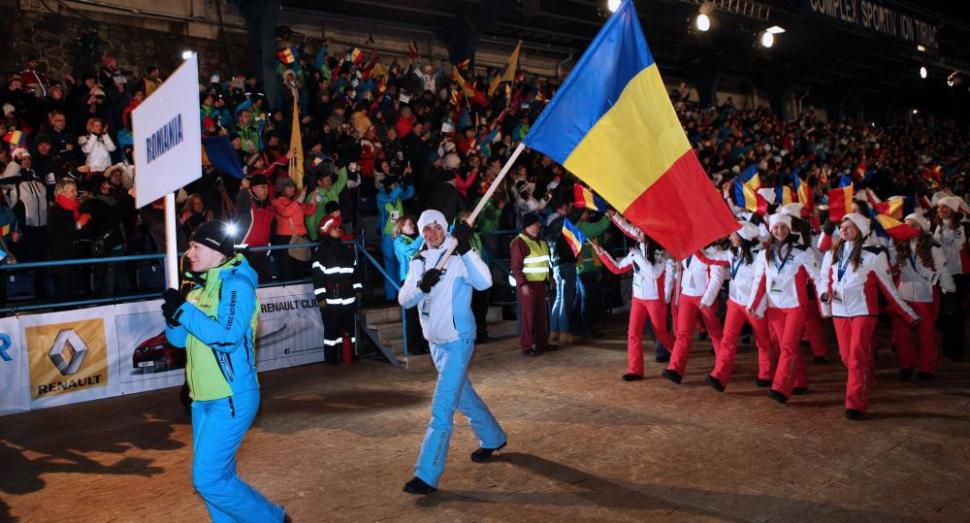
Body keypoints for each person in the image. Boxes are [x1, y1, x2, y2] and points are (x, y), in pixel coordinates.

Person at [161, 221, 287, 522]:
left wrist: (184, 311)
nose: (189, 252)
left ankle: (272, 518)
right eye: (189, 246)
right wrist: (173, 317)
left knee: (208, 479)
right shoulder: (199, 287)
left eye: (195, 246)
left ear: (217, 251)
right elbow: (177, 340)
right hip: (201, 398)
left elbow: (227, 338)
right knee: (218, 477)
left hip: (231, 397)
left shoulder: (237, 285)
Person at [398, 209, 506, 494]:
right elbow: (404, 299)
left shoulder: (458, 256)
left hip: (459, 340)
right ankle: (493, 437)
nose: (431, 233)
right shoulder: (418, 260)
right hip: (436, 343)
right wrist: (422, 286)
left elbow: (484, 282)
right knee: (462, 397)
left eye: (436, 227)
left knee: (442, 405)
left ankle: (426, 474)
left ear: (445, 228)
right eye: (426, 229)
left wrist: (468, 249)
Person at [819, 213, 919, 420]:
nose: (844, 230)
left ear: (861, 230)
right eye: (842, 226)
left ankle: (855, 404)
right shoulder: (833, 253)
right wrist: (824, 298)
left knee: (856, 357)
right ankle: (864, 373)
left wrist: (908, 314)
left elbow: (888, 288)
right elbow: (826, 280)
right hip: (839, 311)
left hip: (864, 311)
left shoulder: (874, 255)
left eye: (850, 227)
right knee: (846, 357)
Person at [746, 212, 819, 403]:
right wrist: (752, 303)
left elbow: (817, 277)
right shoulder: (764, 254)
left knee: (787, 346)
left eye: (783, 227)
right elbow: (759, 281)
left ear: (790, 229)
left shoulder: (803, 252)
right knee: (787, 346)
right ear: (771, 230)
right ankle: (800, 381)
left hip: (796, 306)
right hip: (775, 307)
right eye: (776, 227)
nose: (779, 231)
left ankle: (780, 388)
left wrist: (825, 298)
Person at [593, 219, 675, 381]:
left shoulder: (662, 254)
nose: (637, 233)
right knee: (633, 333)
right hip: (638, 299)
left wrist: (638, 257)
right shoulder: (634, 253)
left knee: (661, 333)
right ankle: (635, 369)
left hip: (654, 299)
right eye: (637, 230)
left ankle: (680, 352)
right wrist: (601, 253)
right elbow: (617, 268)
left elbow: (653, 273)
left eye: (641, 230)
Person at [706, 221, 777, 391]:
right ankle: (719, 375)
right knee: (728, 339)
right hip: (735, 303)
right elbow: (711, 258)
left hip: (755, 305)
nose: (730, 237)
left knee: (763, 340)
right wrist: (694, 248)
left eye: (733, 234)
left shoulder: (761, 255)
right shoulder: (732, 253)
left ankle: (766, 373)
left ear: (742, 237)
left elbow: (761, 282)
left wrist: (753, 303)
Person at [890, 213, 955, 379]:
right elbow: (891, 264)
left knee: (926, 334)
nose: (909, 228)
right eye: (907, 225)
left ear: (922, 229)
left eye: (914, 225)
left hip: (924, 295)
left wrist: (949, 292)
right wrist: (891, 243)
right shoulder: (899, 245)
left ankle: (926, 367)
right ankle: (906, 365)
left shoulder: (933, 247)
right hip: (903, 295)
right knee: (901, 334)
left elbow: (943, 271)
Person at [662, 242, 727, 384]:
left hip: (706, 297)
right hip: (687, 294)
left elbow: (717, 277)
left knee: (715, 334)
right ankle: (675, 369)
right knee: (683, 333)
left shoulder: (714, 250)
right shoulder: (687, 245)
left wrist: (707, 299)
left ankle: (724, 366)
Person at [311, 214, 362, 363]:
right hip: (331, 296)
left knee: (349, 327)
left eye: (339, 228)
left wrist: (358, 289)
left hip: (348, 294)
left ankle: (349, 353)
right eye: (335, 228)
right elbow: (318, 276)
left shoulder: (347, 249)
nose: (338, 230)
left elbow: (355, 271)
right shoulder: (321, 251)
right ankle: (331, 357)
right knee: (331, 327)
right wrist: (320, 297)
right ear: (327, 230)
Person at [510, 212, 554, 356]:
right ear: (529, 225)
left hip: (541, 284)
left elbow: (547, 263)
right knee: (528, 317)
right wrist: (523, 285)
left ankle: (542, 343)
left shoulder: (541, 241)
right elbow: (516, 268)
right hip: (528, 285)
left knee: (541, 316)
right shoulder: (519, 243)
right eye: (536, 223)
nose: (539, 225)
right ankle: (527, 347)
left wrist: (550, 278)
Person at [934, 196, 968, 360]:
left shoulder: (961, 228)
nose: (940, 211)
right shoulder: (938, 227)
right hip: (944, 275)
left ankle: (956, 349)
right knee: (947, 312)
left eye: (944, 208)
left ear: (953, 211)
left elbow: (955, 246)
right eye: (939, 208)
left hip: (957, 274)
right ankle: (948, 347)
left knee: (955, 312)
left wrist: (937, 248)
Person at [543, 197, 578, 345]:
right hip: (566, 263)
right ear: (561, 208)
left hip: (556, 265)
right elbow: (574, 216)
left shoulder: (549, 225)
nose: (568, 211)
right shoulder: (562, 223)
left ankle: (553, 331)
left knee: (558, 299)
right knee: (565, 299)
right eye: (567, 208)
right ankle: (564, 332)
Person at [393, 215, 428, 355]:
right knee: (412, 316)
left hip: (420, 278)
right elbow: (410, 252)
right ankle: (413, 347)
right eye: (410, 224)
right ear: (401, 227)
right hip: (408, 280)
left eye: (413, 224)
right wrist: (422, 237)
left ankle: (424, 344)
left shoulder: (416, 239)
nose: (413, 226)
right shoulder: (398, 241)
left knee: (423, 314)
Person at [377, 174, 415, 300]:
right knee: (390, 266)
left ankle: (401, 293)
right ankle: (390, 296)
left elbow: (409, 193)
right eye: (395, 184)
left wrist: (408, 182)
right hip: (388, 237)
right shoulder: (381, 196)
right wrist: (401, 186)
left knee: (401, 265)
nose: (397, 186)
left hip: (399, 235)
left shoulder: (398, 196)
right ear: (389, 186)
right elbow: (390, 197)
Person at [234, 175, 274, 282]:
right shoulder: (246, 202)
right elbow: (243, 196)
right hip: (246, 252)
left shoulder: (268, 206)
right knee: (246, 284)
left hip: (262, 253)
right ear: (254, 188)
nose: (266, 190)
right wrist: (244, 188)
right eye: (262, 187)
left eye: (266, 187)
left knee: (265, 284)